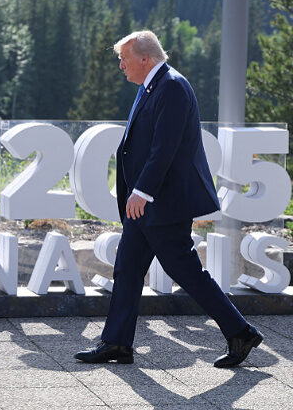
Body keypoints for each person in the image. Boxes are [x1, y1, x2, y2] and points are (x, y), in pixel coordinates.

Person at [74, 30, 263, 367]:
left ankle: (241, 332)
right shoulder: (153, 85)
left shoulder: (172, 86)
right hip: (146, 205)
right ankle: (117, 342)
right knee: (128, 268)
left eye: (125, 59)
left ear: (145, 59)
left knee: (186, 271)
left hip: (162, 203)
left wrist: (141, 191)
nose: (121, 66)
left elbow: (165, 147)